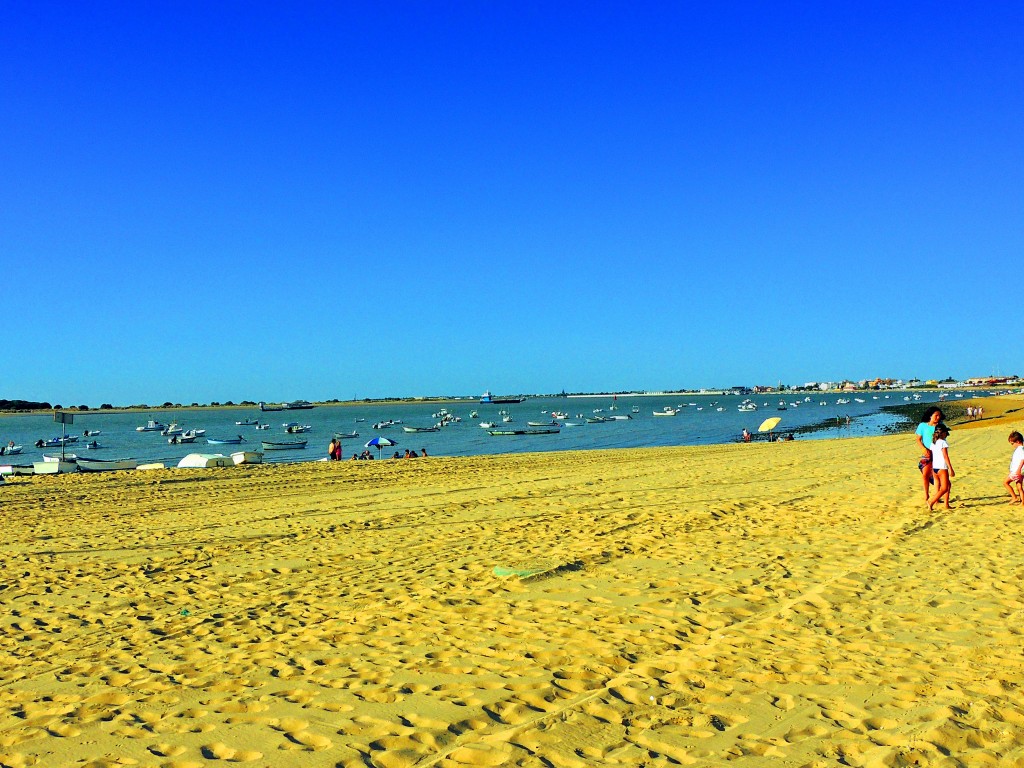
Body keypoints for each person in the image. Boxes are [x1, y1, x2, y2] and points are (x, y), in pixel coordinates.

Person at [915, 407, 944, 502]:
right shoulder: (922, 426)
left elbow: (943, 439)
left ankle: (936, 496)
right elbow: (918, 439)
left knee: (937, 475)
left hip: (937, 453)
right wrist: (923, 449)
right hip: (927, 452)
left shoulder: (941, 426)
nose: (938, 417)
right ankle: (926, 495)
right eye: (936, 415)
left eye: (939, 415)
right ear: (930, 416)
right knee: (925, 474)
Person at [927, 423, 954, 510]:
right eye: (946, 432)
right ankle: (931, 502)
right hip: (942, 467)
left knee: (947, 485)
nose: (947, 434)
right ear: (943, 433)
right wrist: (951, 469)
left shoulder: (933, 443)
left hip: (935, 467)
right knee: (944, 488)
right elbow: (945, 456)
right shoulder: (943, 442)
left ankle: (946, 504)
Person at [1005, 431, 1024, 504]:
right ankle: (1022, 502)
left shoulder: (1020, 449)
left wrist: (1018, 470)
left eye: (1012, 443)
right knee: (1019, 487)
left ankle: (1014, 497)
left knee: (1005, 483)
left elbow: (1023, 459)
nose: (1012, 445)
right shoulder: (1021, 449)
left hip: (1016, 471)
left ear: (1018, 441)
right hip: (1019, 472)